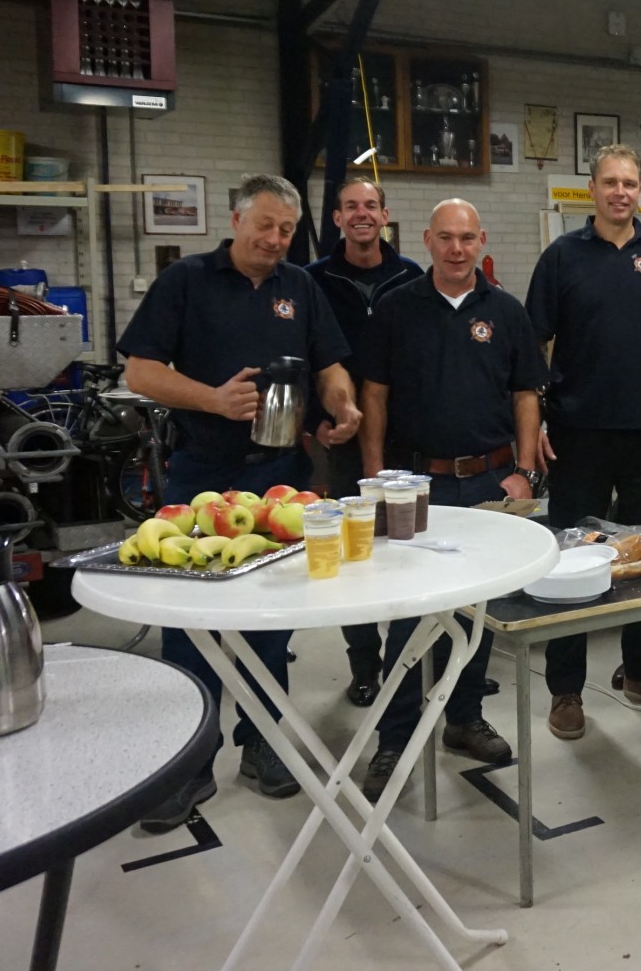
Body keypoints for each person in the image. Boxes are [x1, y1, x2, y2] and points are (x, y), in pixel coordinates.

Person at [120, 173, 360, 833]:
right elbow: (140, 371)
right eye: (265, 225)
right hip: (200, 476)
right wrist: (213, 400)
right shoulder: (186, 282)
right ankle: (185, 766)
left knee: (272, 621)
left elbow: (330, 364)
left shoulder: (300, 287)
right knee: (190, 626)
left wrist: (341, 404)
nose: (275, 239)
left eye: (286, 229)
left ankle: (265, 744)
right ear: (235, 220)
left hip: (279, 476)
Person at [356, 199, 547, 802]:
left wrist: (524, 472)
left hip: (488, 484)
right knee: (408, 614)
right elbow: (374, 395)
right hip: (415, 486)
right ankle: (395, 737)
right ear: (427, 240)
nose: (457, 249)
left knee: (476, 613)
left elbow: (525, 395)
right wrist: (374, 481)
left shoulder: (506, 311)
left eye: (467, 238)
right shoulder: (396, 307)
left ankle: (464, 718)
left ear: (481, 240)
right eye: (446, 238)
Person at [527, 145, 641, 739]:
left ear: (640, 189)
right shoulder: (561, 257)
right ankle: (566, 689)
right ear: (592, 189)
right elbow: (534, 346)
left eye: (629, 183)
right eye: (610, 182)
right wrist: (538, 421)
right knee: (570, 560)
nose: (620, 192)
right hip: (577, 436)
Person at [306, 175, 422, 709]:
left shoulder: (411, 276)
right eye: (351, 206)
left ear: (384, 215)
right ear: (337, 218)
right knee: (357, 556)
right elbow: (307, 358)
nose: (361, 214)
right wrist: (316, 422)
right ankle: (364, 665)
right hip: (343, 441)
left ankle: (418, 663)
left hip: (409, 441)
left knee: (410, 552)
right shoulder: (313, 280)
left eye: (371, 206)